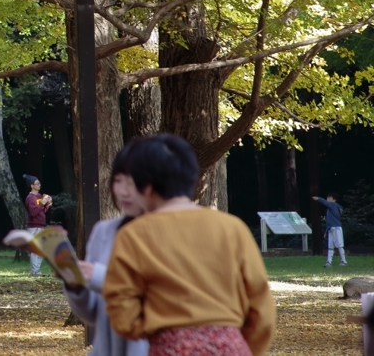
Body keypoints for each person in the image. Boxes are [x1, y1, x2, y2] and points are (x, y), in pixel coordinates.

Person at [103, 135, 276, 356]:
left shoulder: (134, 234)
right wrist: (240, 346)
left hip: (171, 348)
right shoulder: (232, 228)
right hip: (231, 346)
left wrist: (154, 330)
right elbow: (261, 305)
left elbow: (122, 307)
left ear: (146, 187)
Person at [61, 155, 149, 356]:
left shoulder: (170, 232)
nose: (123, 191)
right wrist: (76, 286)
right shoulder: (104, 231)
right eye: (118, 181)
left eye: (133, 182)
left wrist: (99, 276)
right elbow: (93, 313)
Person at [23, 174, 52, 276]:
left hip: (41, 225)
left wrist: (47, 204)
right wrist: (42, 203)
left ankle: (36, 270)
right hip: (34, 226)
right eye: (37, 183)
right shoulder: (30, 198)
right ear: (32, 185)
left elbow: (41, 211)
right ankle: (34, 272)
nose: (39, 185)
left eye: (39, 183)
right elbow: (33, 212)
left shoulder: (39, 196)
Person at [313, 193, 347, 267]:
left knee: (339, 245)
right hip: (331, 228)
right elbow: (329, 222)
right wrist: (326, 231)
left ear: (334, 200)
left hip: (336, 228)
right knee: (330, 247)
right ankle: (329, 262)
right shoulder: (331, 208)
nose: (327, 199)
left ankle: (343, 261)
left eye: (329, 198)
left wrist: (318, 198)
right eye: (327, 198)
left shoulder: (334, 205)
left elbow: (325, 202)